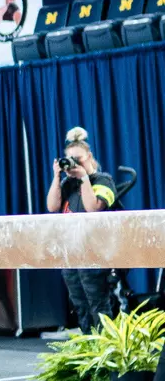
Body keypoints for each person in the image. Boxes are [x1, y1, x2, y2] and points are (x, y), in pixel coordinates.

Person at [46, 126, 116, 334]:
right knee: (80, 304)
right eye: (70, 160)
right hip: (72, 253)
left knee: (98, 303)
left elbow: (93, 208)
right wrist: (57, 177)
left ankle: (106, 347)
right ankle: (88, 345)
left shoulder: (103, 180)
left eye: (78, 159)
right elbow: (52, 207)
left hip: (95, 253)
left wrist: (85, 178)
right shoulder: (68, 184)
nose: (74, 164)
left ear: (89, 157)